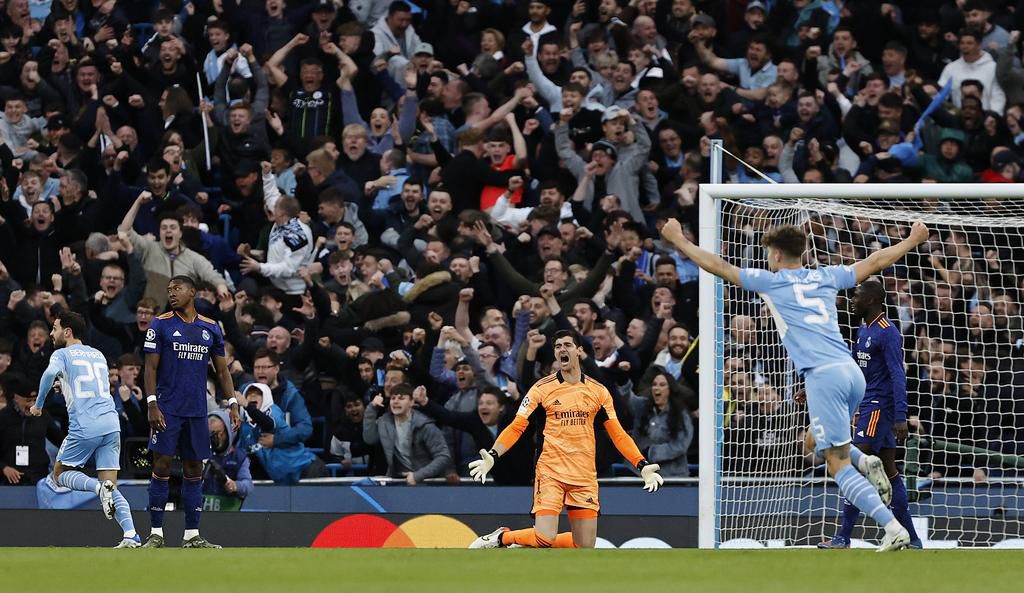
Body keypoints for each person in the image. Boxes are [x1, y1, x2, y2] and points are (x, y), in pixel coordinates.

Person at [659, 218, 929, 551]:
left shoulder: (771, 282)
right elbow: (874, 262)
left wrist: (679, 240)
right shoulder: (827, 275)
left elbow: (718, 266)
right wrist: (912, 240)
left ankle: (891, 527)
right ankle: (865, 460)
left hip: (823, 376)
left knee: (835, 464)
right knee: (813, 440)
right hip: (850, 372)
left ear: (774, 254)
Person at [467, 330, 663, 549]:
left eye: (568, 345)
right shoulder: (541, 389)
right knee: (544, 538)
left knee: (584, 546)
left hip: (584, 476)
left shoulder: (598, 391)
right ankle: (503, 537)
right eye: (558, 346)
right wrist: (493, 456)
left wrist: (641, 464)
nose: (562, 349)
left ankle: (522, 543)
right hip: (551, 471)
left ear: (579, 351)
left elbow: (618, 433)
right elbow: (517, 426)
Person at [816, 281, 922, 549]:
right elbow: (852, 366)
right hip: (869, 404)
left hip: (879, 406)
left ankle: (843, 537)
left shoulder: (888, 333)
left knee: (851, 467)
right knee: (890, 470)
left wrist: (901, 415)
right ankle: (913, 538)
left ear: (872, 300)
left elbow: (898, 374)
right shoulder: (864, 328)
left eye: (857, 296)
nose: (852, 300)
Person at [142, 276, 240, 549]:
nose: (172, 293)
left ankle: (191, 535)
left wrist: (232, 402)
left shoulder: (210, 328)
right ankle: (156, 534)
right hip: (168, 408)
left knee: (194, 468)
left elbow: (222, 371)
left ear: (192, 292)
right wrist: (152, 404)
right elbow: (149, 368)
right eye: (169, 289)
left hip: (198, 410)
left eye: (177, 288)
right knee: (161, 466)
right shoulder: (160, 324)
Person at [29, 311, 139, 547]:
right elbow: (86, 382)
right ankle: (131, 534)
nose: (51, 333)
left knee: (59, 475)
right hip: (111, 423)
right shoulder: (97, 354)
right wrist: (63, 384)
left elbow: (49, 373)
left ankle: (98, 488)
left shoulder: (61, 354)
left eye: (55, 328)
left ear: (67, 332)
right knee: (112, 485)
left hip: (85, 424)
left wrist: (38, 405)